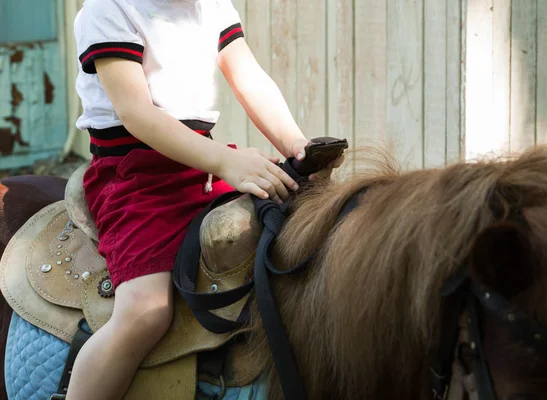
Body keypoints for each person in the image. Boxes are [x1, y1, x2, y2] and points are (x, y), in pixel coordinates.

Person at [68, 0, 342, 398]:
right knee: (145, 312)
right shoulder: (109, 9)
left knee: (290, 234)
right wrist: (227, 161)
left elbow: (249, 78)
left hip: (203, 165)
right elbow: (136, 113)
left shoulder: (212, 5)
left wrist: (296, 144)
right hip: (135, 177)